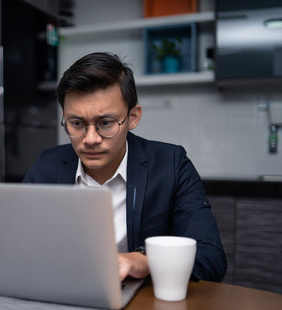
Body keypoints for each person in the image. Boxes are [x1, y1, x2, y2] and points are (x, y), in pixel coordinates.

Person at [23, 52, 227, 282]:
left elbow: (210, 257)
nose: (90, 139)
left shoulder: (171, 165)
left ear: (133, 117)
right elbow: (15, 243)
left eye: (106, 123)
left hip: (143, 306)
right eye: (77, 123)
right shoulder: (46, 165)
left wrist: (147, 260)